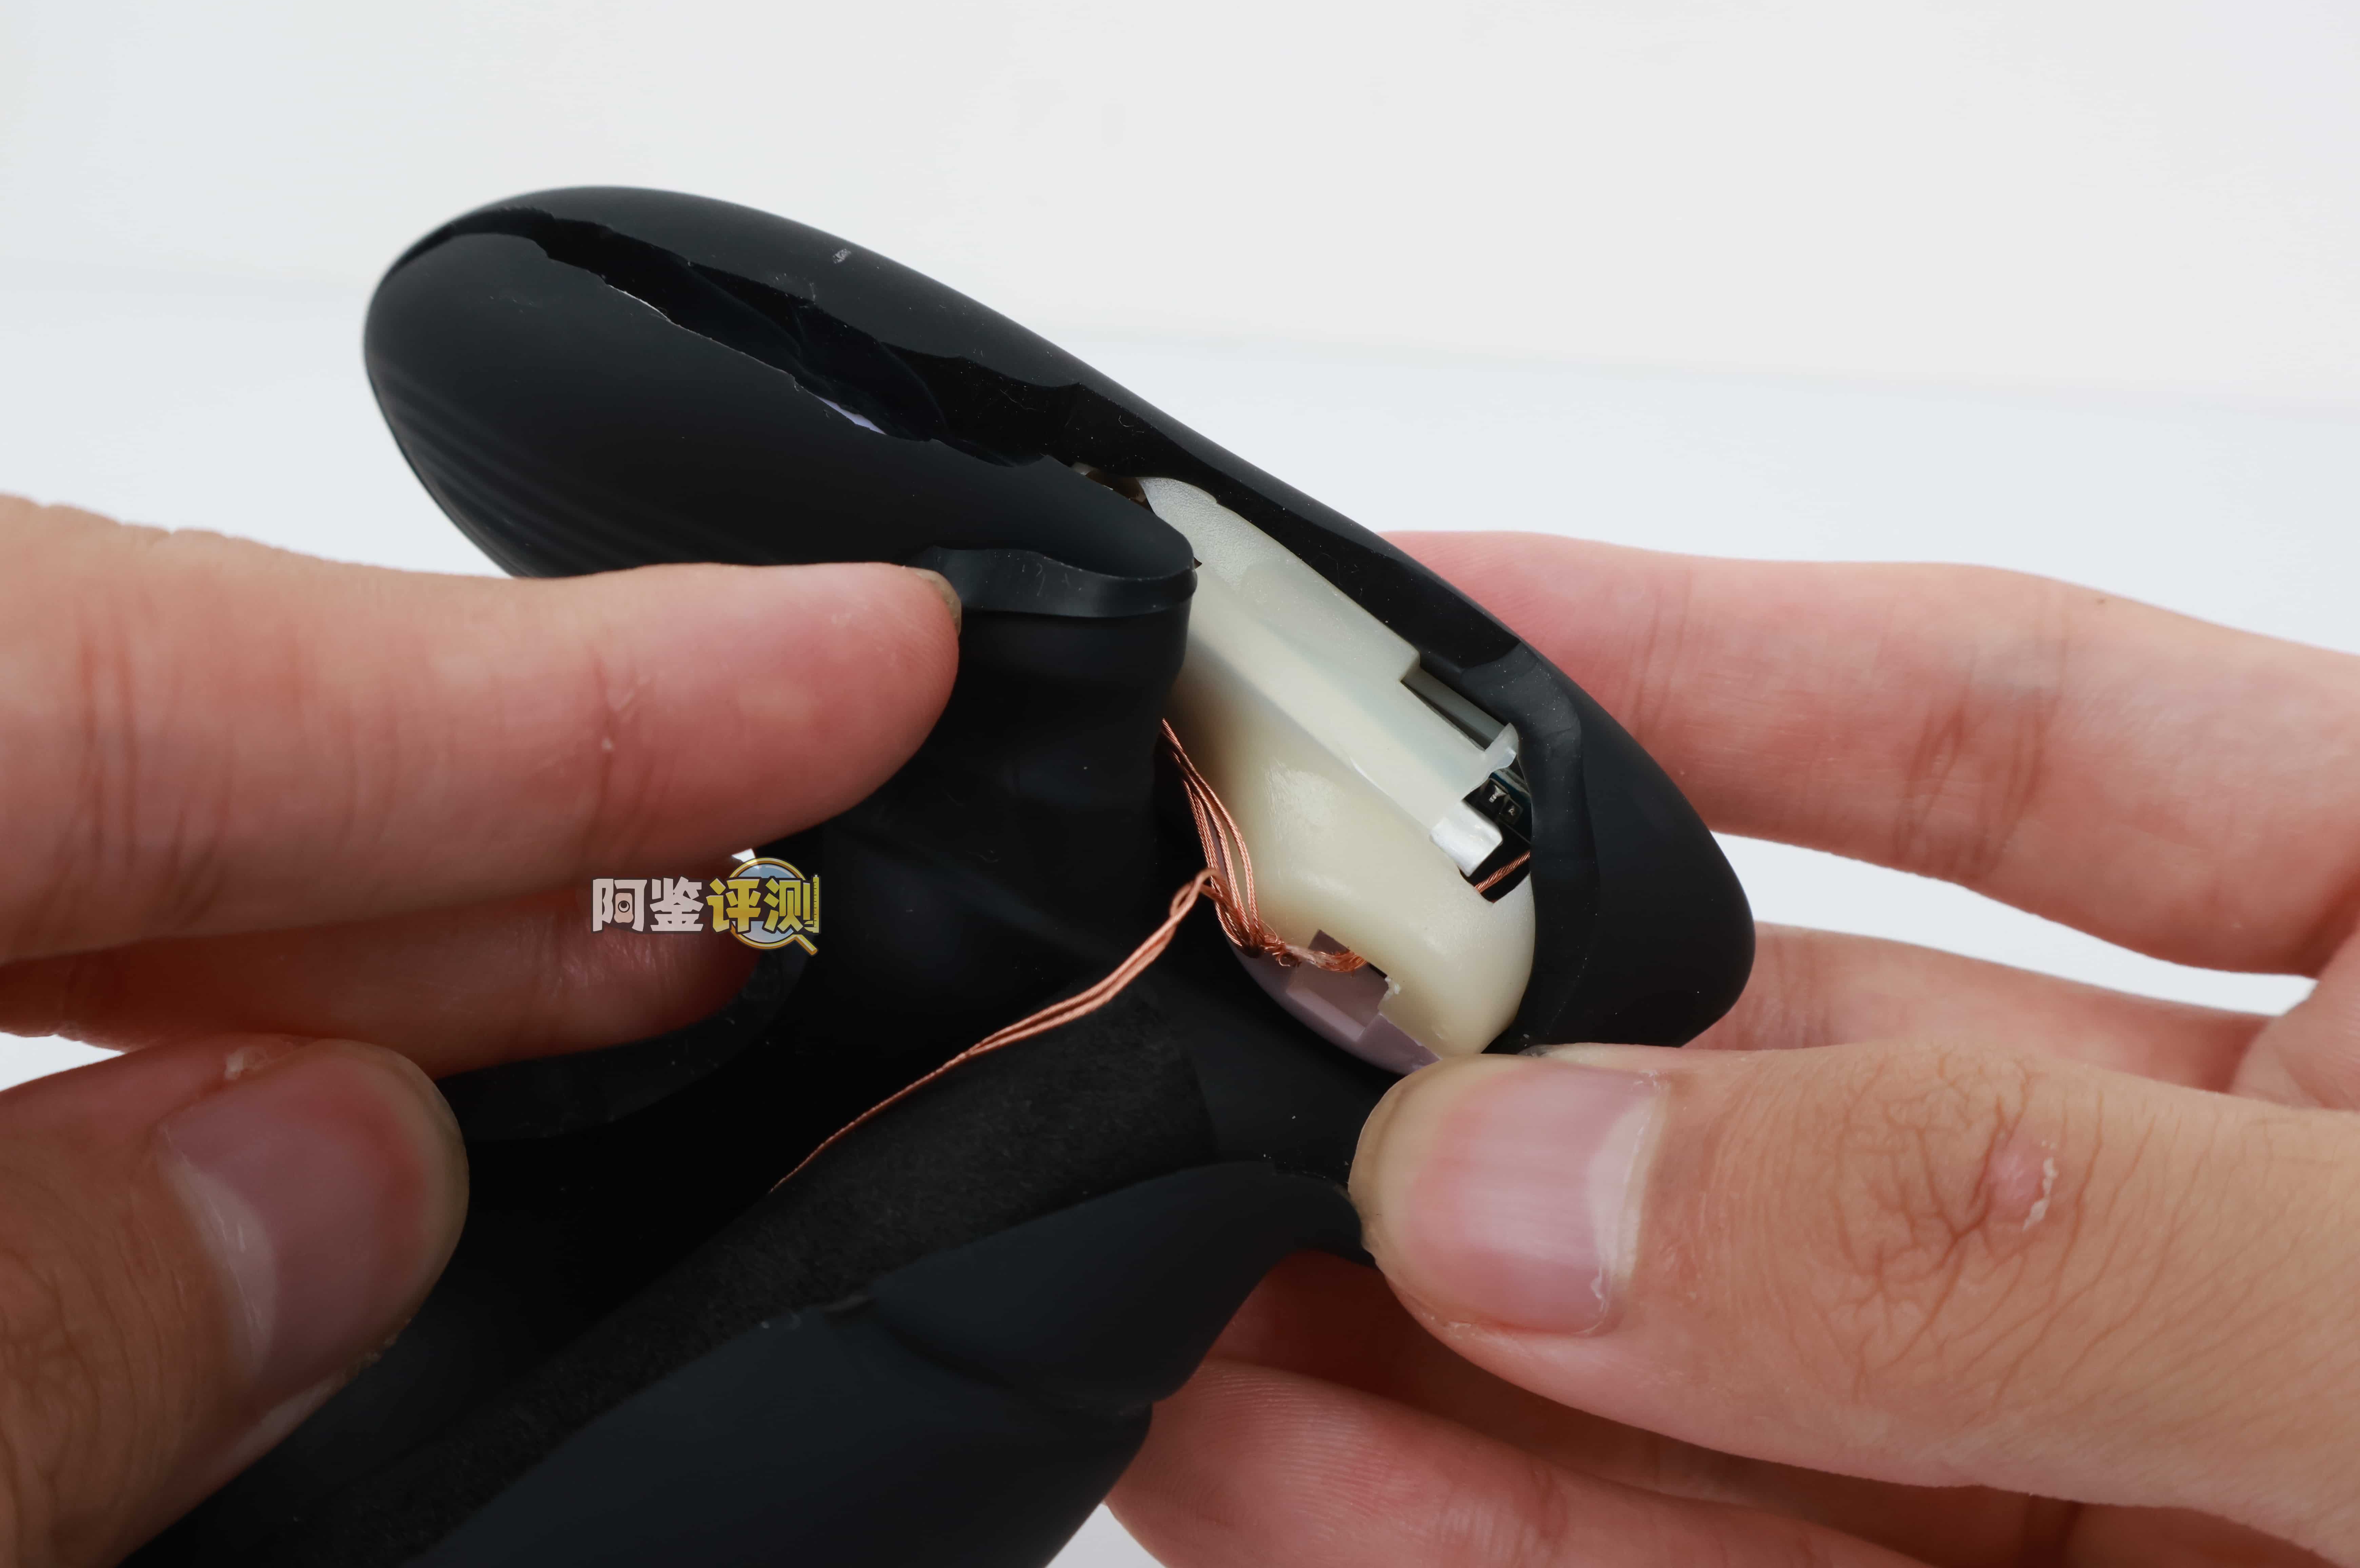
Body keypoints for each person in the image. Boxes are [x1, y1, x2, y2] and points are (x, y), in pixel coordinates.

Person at [1, 495, 2354, 1567]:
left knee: (741, 929)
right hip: (870, 930)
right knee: (714, 921)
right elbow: (664, 911)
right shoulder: (755, 902)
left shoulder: (838, 912)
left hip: (917, 938)